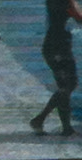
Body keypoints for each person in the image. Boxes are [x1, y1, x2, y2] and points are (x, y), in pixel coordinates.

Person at [30, 0, 82, 136]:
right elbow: (79, 17)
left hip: (54, 45)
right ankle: (40, 119)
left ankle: (65, 127)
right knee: (68, 85)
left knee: (65, 87)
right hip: (59, 47)